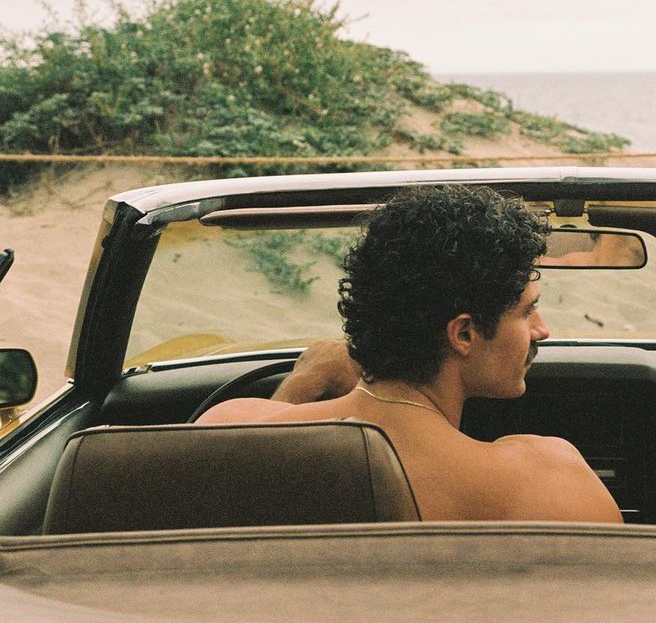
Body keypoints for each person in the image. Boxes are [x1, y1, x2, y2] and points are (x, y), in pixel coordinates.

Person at [198, 185, 622, 524]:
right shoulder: (549, 483)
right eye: (527, 310)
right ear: (464, 333)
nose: (541, 330)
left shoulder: (223, 431)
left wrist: (296, 390)